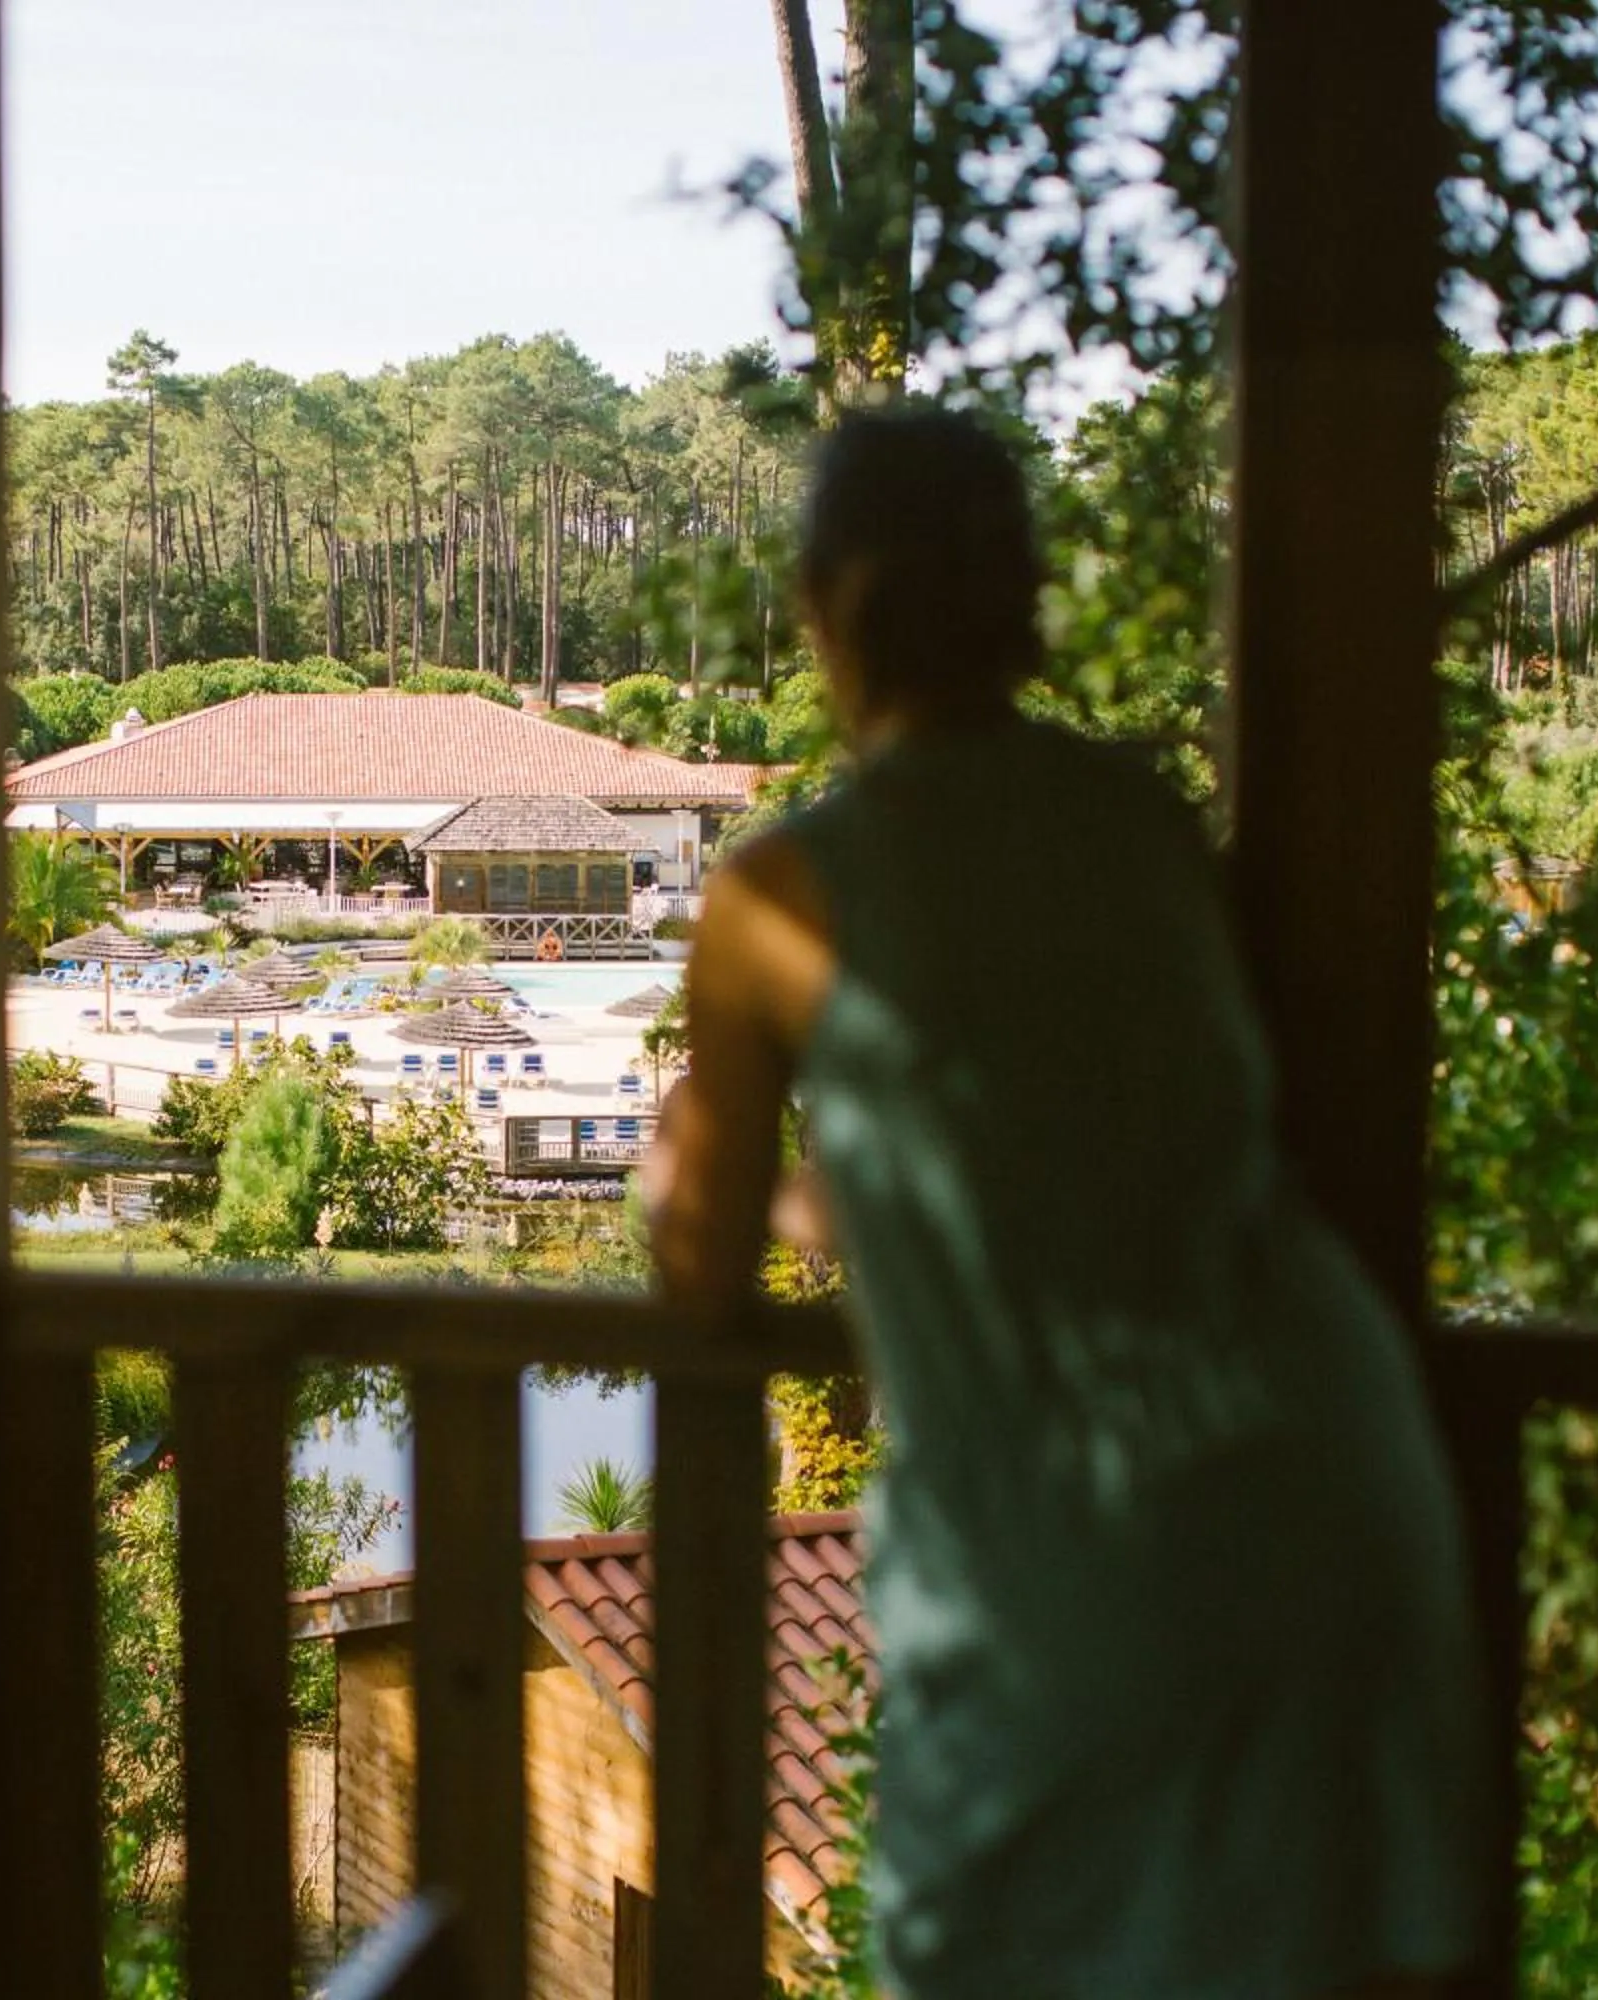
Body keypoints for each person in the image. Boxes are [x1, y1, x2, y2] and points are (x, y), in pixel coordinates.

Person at [644, 409, 1491, 1999]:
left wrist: (683, 1172)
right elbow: (1077, 1159)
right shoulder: (1140, 821)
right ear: (1020, 595)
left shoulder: (782, 893)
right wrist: (842, 1209)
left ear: (828, 605)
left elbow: (698, 1276)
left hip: (1075, 1568)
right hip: (1333, 1479)